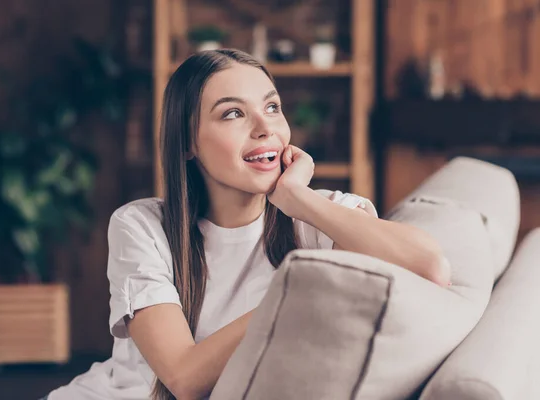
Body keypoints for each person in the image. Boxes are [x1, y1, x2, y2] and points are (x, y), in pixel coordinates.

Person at [45, 49, 451, 400]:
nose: (265, 128)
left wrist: (299, 199)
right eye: (233, 113)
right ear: (187, 142)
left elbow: (432, 269)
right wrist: (305, 288)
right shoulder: (141, 226)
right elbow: (184, 379)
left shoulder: (320, 215)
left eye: (272, 107)